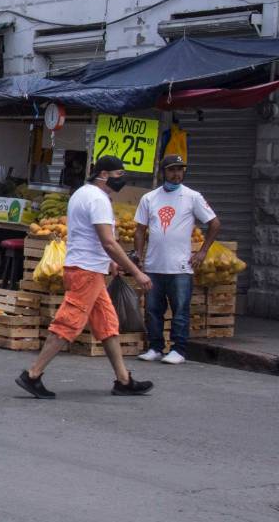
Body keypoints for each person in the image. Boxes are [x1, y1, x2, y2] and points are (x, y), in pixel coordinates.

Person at [16, 155, 155, 399]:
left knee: (107, 324)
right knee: (67, 323)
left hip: (88, 269)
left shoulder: (81, 193)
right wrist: (136, 272)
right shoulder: (98, 199)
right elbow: (108, 242)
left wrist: (109, 262)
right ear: (103, 175)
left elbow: (87, 235)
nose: (121, 180)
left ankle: (123, 380)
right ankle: (33, 374)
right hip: (86, 272)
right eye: (118, 175)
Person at [134, 154, 220, 365]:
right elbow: (140, 230)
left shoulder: (192, 197)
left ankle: (178, 350)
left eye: (180, 170)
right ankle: (155, 347)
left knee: (180, 310)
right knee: (153, 310)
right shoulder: (149, 198)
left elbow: (214, 223)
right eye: (172, 170)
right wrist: (138, 254)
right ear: (163, 172)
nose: (176, 174)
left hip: (181, 267)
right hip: (154, 265)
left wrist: (202, 252)